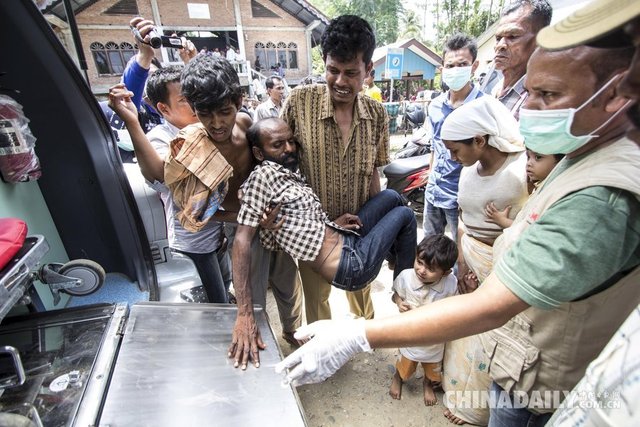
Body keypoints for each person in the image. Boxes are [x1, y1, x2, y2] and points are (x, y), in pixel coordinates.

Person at [276, 24, 640, 427]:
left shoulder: (601, 192)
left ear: (615, 93)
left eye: (548, 95)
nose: (531, 108)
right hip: (322, 230)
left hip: (539, 370)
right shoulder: (579, 157)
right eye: (531, 93)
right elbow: (279, 157)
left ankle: (387, 302)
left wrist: (360, 335)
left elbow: (491, 306)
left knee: (392, 217)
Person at [232, 117, 416, 368]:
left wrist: (332, 223)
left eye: (290, 141)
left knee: (392, 196)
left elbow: (296, 224)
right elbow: (242, 240)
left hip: (344, 237)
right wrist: (245, 313)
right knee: (405, 215)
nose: (288, 149)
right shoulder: (262, 176)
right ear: (258, 152)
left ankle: (393, 255)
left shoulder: (286, 175)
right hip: (351, 265)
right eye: (277, 145)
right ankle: (403, 292)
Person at [280, 15, 389, 323]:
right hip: (312, 233)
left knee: (362, 292)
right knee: (317, 303)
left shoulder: (377, 114)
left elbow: (373, 173)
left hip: (359, 226)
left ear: (368, 70)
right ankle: (318, 355)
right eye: (333, 70)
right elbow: (280, 169)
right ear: (324, 63)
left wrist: (373, 224)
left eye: (351, 72)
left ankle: (364, 336)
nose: (340, 81)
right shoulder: (299, 102)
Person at [108, 66, 233, 303]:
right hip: (195, 243)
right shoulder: (161, 137)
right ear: (164, 108)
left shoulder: (208, 130)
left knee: (225, 284)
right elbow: (159, 175)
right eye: (186, 100)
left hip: (218, 233)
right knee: (216, 299)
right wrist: (133, 122)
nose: (197, 106)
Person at [439, 95, 528, 425]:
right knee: (464, 332)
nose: (452, 157)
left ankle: (475, 409)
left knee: (491, 338)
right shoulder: (467, 170)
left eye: (455, 149)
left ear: (479, 140)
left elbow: (529, 224)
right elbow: (463, 219)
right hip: (471, 257)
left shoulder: (520, 172)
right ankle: (455, 391)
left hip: (502, 264)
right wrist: (462, 261)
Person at [422, 33, 484, 246]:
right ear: (442, 69)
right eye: (450, 66)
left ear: (473, 67)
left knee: (460, 254)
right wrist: (431, 175)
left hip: (462, 197)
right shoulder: (435, 105)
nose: (455, 70)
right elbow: (434, 145)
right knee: (429, 248)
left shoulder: (482, 107)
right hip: (434, 190)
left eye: (462, 64)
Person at [388, 235, 458, 406]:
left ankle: (427, 384)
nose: (421, 270)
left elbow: (455, 305)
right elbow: (395, 294)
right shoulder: (406, 277)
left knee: (432, 368)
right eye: (419, 262)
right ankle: (398, 378)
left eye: (431, 269)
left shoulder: (450, 284)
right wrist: (399, 302)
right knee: (405, 363)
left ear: (446, 272)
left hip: (434, 340)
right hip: (409, 335)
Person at [482, 0, 552, 118]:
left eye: (513, 37)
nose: (500, 45)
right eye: (498, 38)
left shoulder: (543, 100)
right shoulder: (495, 89)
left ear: (541, 40)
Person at [485, 148, 563, 229]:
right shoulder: (540, 187)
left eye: (538, 157)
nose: (528, 163)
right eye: (528, 157)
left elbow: (528, 229)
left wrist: (502, 221)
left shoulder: (553, 193)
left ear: (560, 161)